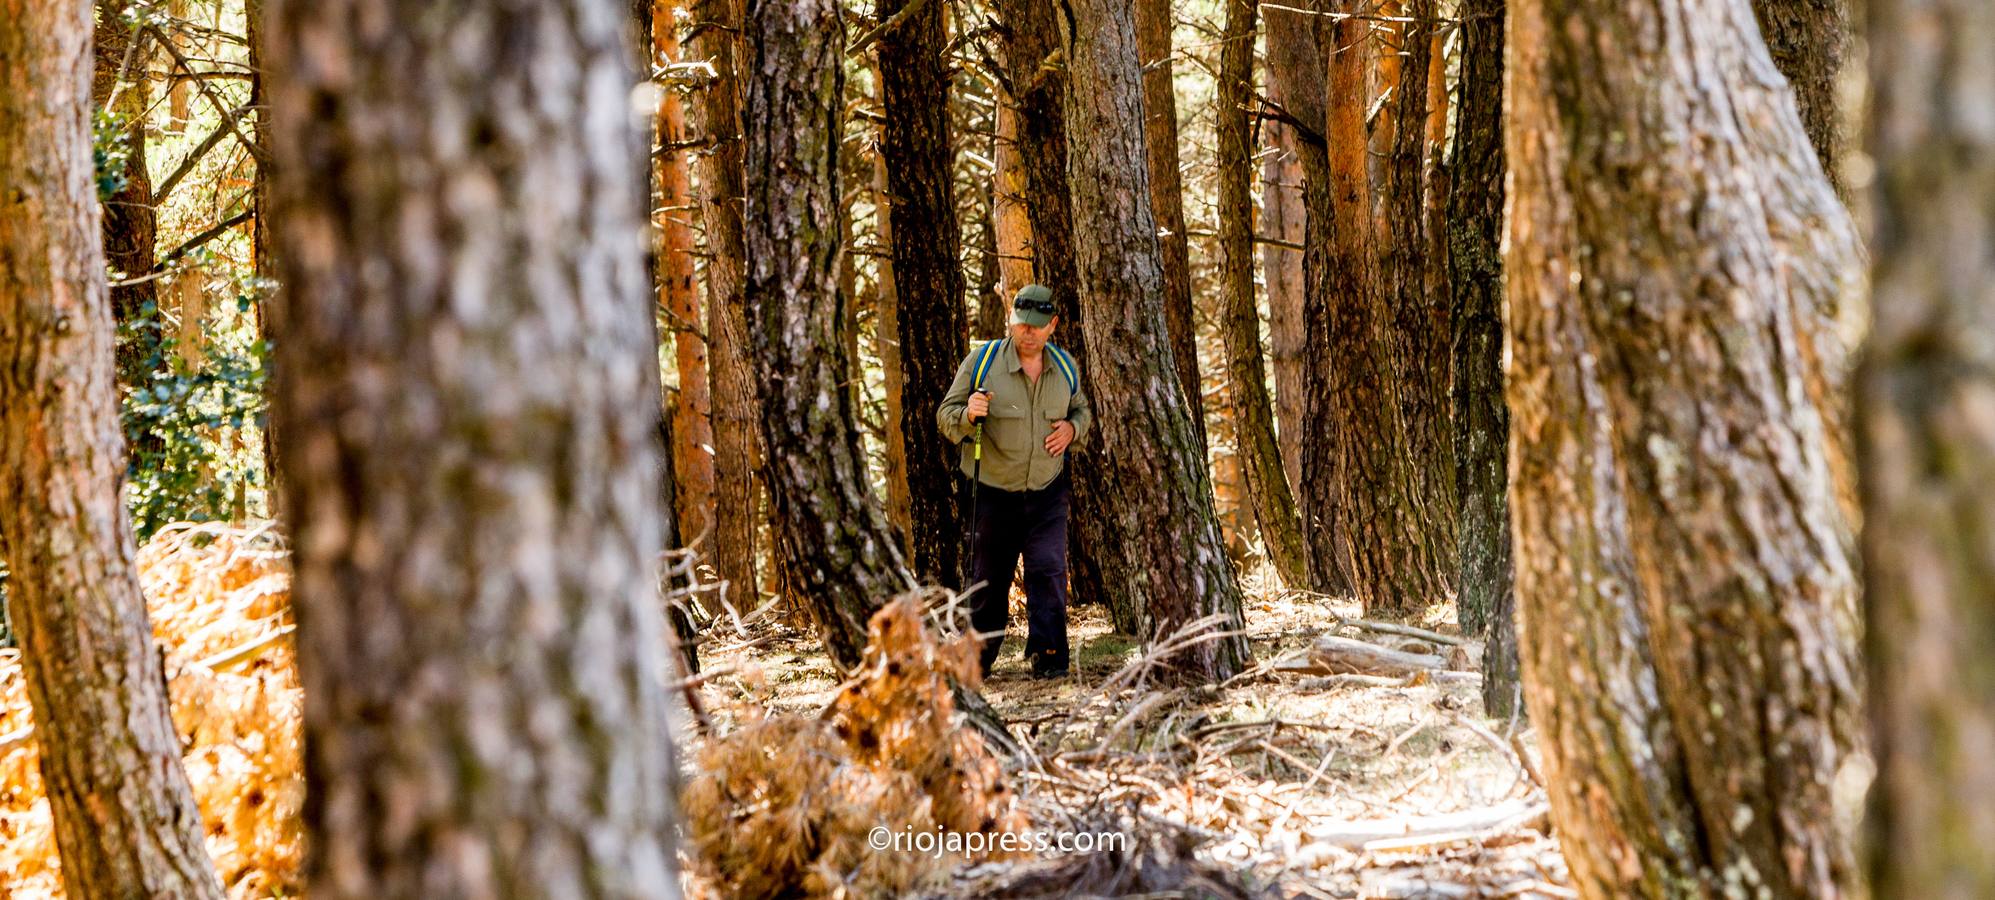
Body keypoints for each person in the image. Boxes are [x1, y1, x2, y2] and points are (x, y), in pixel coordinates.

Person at [936, 284, 1092, 679]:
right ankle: (978, 662)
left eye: (1037, 326)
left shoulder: (1065, 368)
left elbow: (1082, 412)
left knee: (1050, 572)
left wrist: (1074, 429)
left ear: (1052, 325)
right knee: (989, 582)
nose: (1028, 332)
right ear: (1011, 318)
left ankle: (1050, 658)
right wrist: (968, 415)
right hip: (991, 493)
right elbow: (946, 415)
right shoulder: (983, 361)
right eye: (1022, 323)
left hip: (1046, 492)